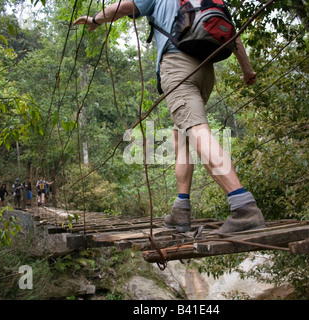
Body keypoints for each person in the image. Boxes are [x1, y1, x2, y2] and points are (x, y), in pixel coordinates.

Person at [73, 0, 266, 233]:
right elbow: (232, 34)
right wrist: (247, 68)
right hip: (205, 70)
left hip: (177, 66)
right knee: (180, 136)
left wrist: (95, 19)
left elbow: (122, 7)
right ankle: (180, 210)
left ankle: (244, 208)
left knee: (196, 131)